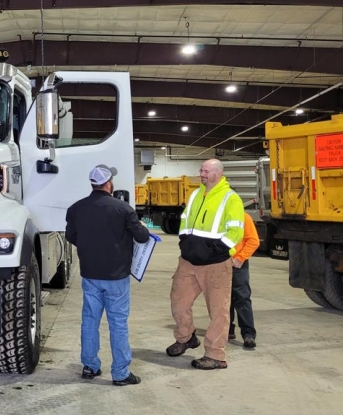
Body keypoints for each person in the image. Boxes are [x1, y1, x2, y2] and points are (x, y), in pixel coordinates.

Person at [66, 164, 150, 386]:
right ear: (109, 183)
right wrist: (139, 226)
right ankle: (120, 373)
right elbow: (142, 237)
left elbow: (71, 236)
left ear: (93, 183)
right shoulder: (123, 209)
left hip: (90, 274)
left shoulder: (76, 208)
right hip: (117, 277)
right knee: (118, 323)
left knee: (90, 320)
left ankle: (90, 366)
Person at [167, 159, 245, 370]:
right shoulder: (195, 194)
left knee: (218, 311)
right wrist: (185, 242)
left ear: (218, 174)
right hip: (188, 261)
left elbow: (236, 231)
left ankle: (215, 355)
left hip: (216, 265)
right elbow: (185, 220)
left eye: (205, 171)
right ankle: (186, 337)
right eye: (201, 169)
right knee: (178, 302)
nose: (201, 173)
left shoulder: (231, 198)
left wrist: (213, 250)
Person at [230, 214, 260, 350]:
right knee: (222, 300)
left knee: (242, 298)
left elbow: (253, 240)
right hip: (218, 265)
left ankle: (248, 335)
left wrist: (240, 258)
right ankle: (227, 330)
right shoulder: (217, 215)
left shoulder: (243, 217)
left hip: (238, 264)